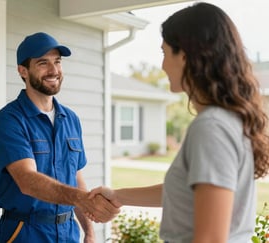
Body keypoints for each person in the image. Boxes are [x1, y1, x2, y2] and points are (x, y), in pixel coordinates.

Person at [89, 2, 269, 243]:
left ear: (184, 55)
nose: (162, 65)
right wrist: (118, 196)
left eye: (164, 53)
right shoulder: (225, 121)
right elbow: (187, 192)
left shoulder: (212, 127)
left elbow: (210, 239)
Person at [0, 32, 119, 243]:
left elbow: (76, 177)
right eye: (43, 63)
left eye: (57, 62)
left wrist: (89, 232)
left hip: (68, 232)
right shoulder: (9, 121)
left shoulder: (70, 119)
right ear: (23, 71)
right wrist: (82, 199)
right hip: (25, 232)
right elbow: (27, 181)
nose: (54, 70)